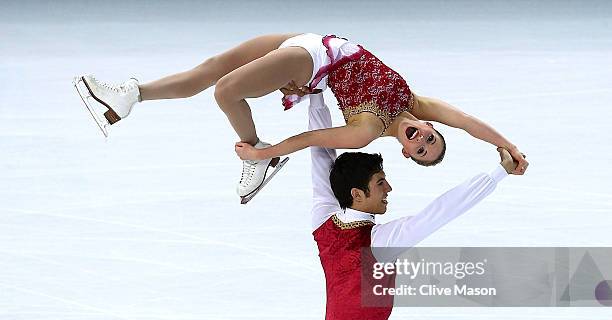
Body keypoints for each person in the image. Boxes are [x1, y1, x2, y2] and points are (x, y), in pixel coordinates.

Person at [75, 33, 527, 200]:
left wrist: (269, 149)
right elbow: (467, 121)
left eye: (421, 151)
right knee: (210, 70)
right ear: (430, 127)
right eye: (431, 139)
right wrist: (505, 146)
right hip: (312, 42)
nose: (423, 141)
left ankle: (257, 161)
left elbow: (311, 141)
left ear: (407, 153)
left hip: (310, 62)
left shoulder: (364, 132)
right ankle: (131, 95)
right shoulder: (416, 103)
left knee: (225, 91)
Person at [305, 92, 518, 320]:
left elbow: (321, 156)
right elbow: (440, 212)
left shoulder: (324, 220)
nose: (388, 189)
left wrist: (316, 99)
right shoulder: (378, 243)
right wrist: (498, 173)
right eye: (380, 183)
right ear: (357, 195)